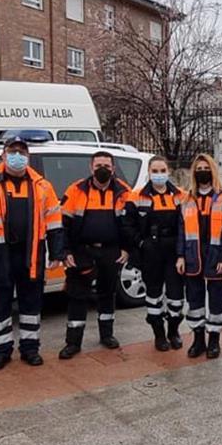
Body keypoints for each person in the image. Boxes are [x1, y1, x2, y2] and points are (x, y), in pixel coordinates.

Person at [0, 139, 64, 371]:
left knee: (32, 304)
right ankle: (1, 351)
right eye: (12, 152)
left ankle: (30, 349)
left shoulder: (42, 186)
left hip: (31, 255)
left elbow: (54, 222)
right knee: (0, 305)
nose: (17, 156)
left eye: (21, 152)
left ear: (27, 156)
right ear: (3, 155)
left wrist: (57, 252)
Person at [60, 151, 134, 359]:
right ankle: (73, 342)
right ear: (90, 167)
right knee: (77, 295)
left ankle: (107, 335)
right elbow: (63, 225)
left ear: (113, 168)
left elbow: (129, 224)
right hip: (82, 250)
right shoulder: (76, 190)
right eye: (99, 165)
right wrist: (65, 252)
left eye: (107, 166)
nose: (103, 169)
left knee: (107, 293)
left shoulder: (123, 191)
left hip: (111, 251)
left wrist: (127, 249)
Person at [177, 154, 222, 359]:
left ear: (213, 170)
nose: (203, 172)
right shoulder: (186, 199)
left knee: (217, 300)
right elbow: (182, 231)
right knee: (194, 300)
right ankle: (198, 339)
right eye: (199, 169)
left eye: (206, 168)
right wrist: (180, 256)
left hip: (215, 256)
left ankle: (214, 340)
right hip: (193, 256)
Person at [129, 157, 187, 351]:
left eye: (162, 170)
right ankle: (159, 334)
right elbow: (127, 225)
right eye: (155, 170)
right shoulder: (137, 196)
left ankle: (173, 330)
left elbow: (187, 224)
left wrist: (183, 252)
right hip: (151, 252)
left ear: (168, 171)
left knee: (176, 297)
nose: (159, 174)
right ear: (149, 172)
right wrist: (141, 243)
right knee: (153, 296)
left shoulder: (181, 195)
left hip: (174, 251)